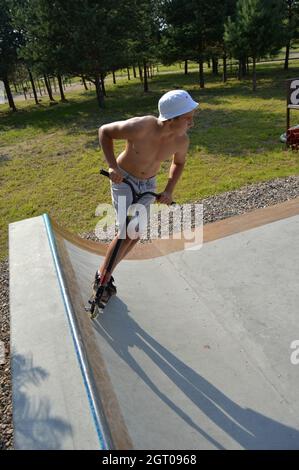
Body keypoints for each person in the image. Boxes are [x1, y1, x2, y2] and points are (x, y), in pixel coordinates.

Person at [94, 89, 199, 300]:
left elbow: (178, 163)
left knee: (136, 233)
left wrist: (169, 190)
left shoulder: (181, 141)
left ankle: (105, 273)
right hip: (123, 179)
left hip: (148, 184)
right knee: (127, 230)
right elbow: (104, 131)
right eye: (187, 119)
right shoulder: (141, 127)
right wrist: (112, 167)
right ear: (171, 119)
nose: (191, 123)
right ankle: (102, 279)